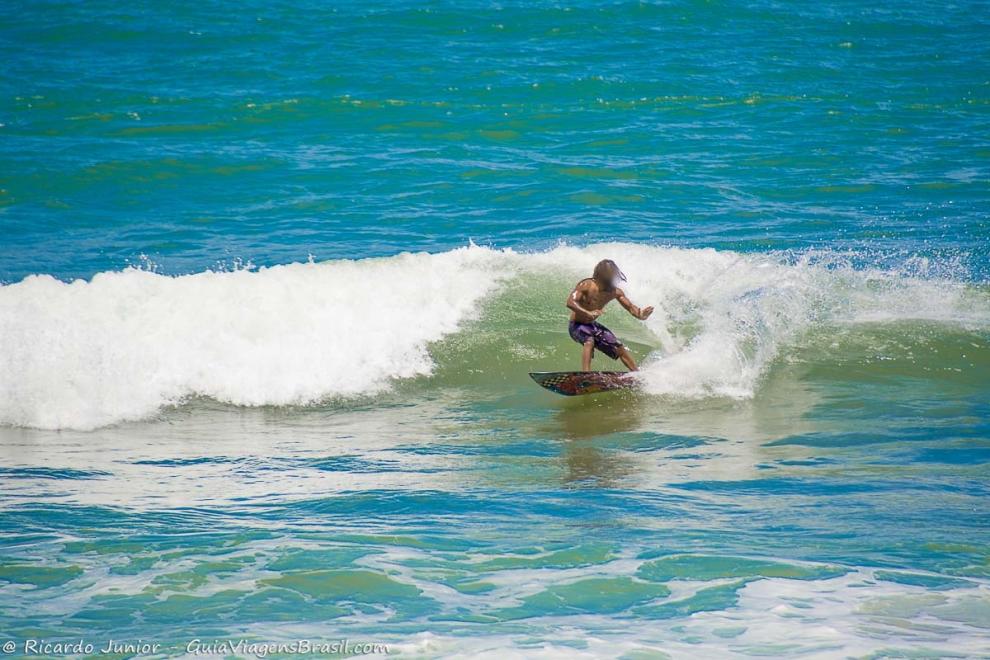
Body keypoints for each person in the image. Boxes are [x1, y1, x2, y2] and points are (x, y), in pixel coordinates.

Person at [565, 259, 653, 371]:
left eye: (611, 277)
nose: (609, 280)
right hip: (576, 326)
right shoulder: (586, 285)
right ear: (598, 275)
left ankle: (637, 373)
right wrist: (587, 313)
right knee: (589, 341)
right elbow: (570, 302)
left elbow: (631, 308)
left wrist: (641, 315)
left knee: (618, 346)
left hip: (592, 325)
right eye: (606, 277)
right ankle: (586, 374)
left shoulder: (615, 292)